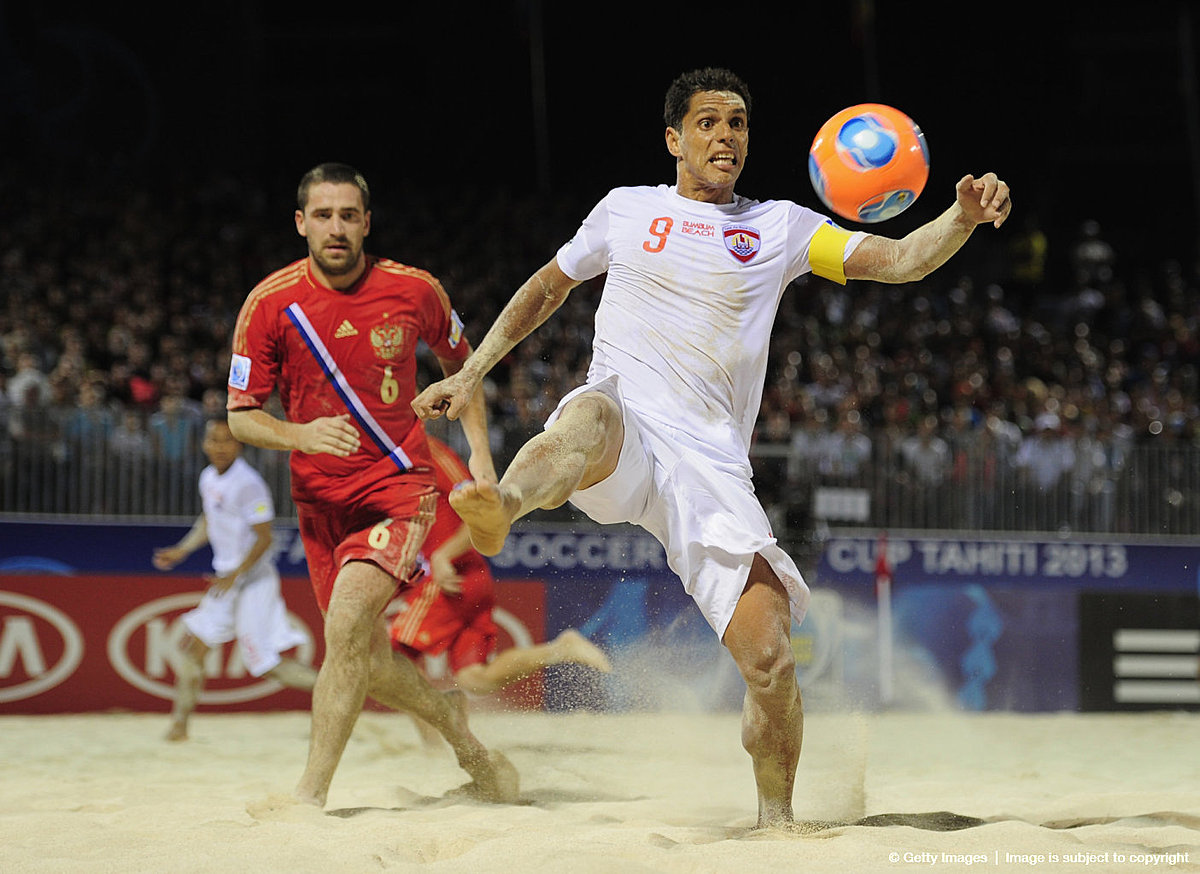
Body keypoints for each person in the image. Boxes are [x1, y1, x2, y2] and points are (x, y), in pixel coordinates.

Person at [412, 68, 1012, 829]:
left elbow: (902, 261)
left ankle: (776, 821)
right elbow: (547, 287)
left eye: (737, 124)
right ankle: (504, 504)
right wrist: (472, 370)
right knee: (587, 414)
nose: (725, 137)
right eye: (707, 123)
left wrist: (958, 219)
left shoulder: (782, 227)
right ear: (673, 138)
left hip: (710, 465)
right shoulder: (626, 210)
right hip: (625, 425)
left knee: (771, 662)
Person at [225, 162, 516, 807]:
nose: (336, 227)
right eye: (323, 215)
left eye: (348, 215)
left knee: (350, 622)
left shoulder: (415, 291)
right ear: (300, 223)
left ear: (366, 222)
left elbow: (461, 374)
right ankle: (459, 734)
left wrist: (482, 461)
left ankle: (309, 795)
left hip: (397, 489)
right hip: (318, 504)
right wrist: (300, 436)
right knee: (367, 656)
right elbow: (240, 418)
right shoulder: (269, 303)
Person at [390, 434, 612, 717]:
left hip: (452, 576)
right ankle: (560, 649)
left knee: (397, 657)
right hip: (459, 576)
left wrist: (442, 555)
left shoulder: (429, 453)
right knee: (474, 679)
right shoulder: (393, 458)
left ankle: (436, 739)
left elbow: (484, 511)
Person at [152, 415, 316, 741]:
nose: (220, 447)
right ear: (204, 443)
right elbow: (209, 520)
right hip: (226, 580)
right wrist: (182, 550)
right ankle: (179, 727)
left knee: (266, 665)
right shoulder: (208, 478)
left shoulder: (249, 483)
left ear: (239, 443)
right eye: (214, 439)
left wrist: (237, 574)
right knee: (192, 650)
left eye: (227, 440)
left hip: (253, 582)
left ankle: (343, 693)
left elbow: (265, 538)